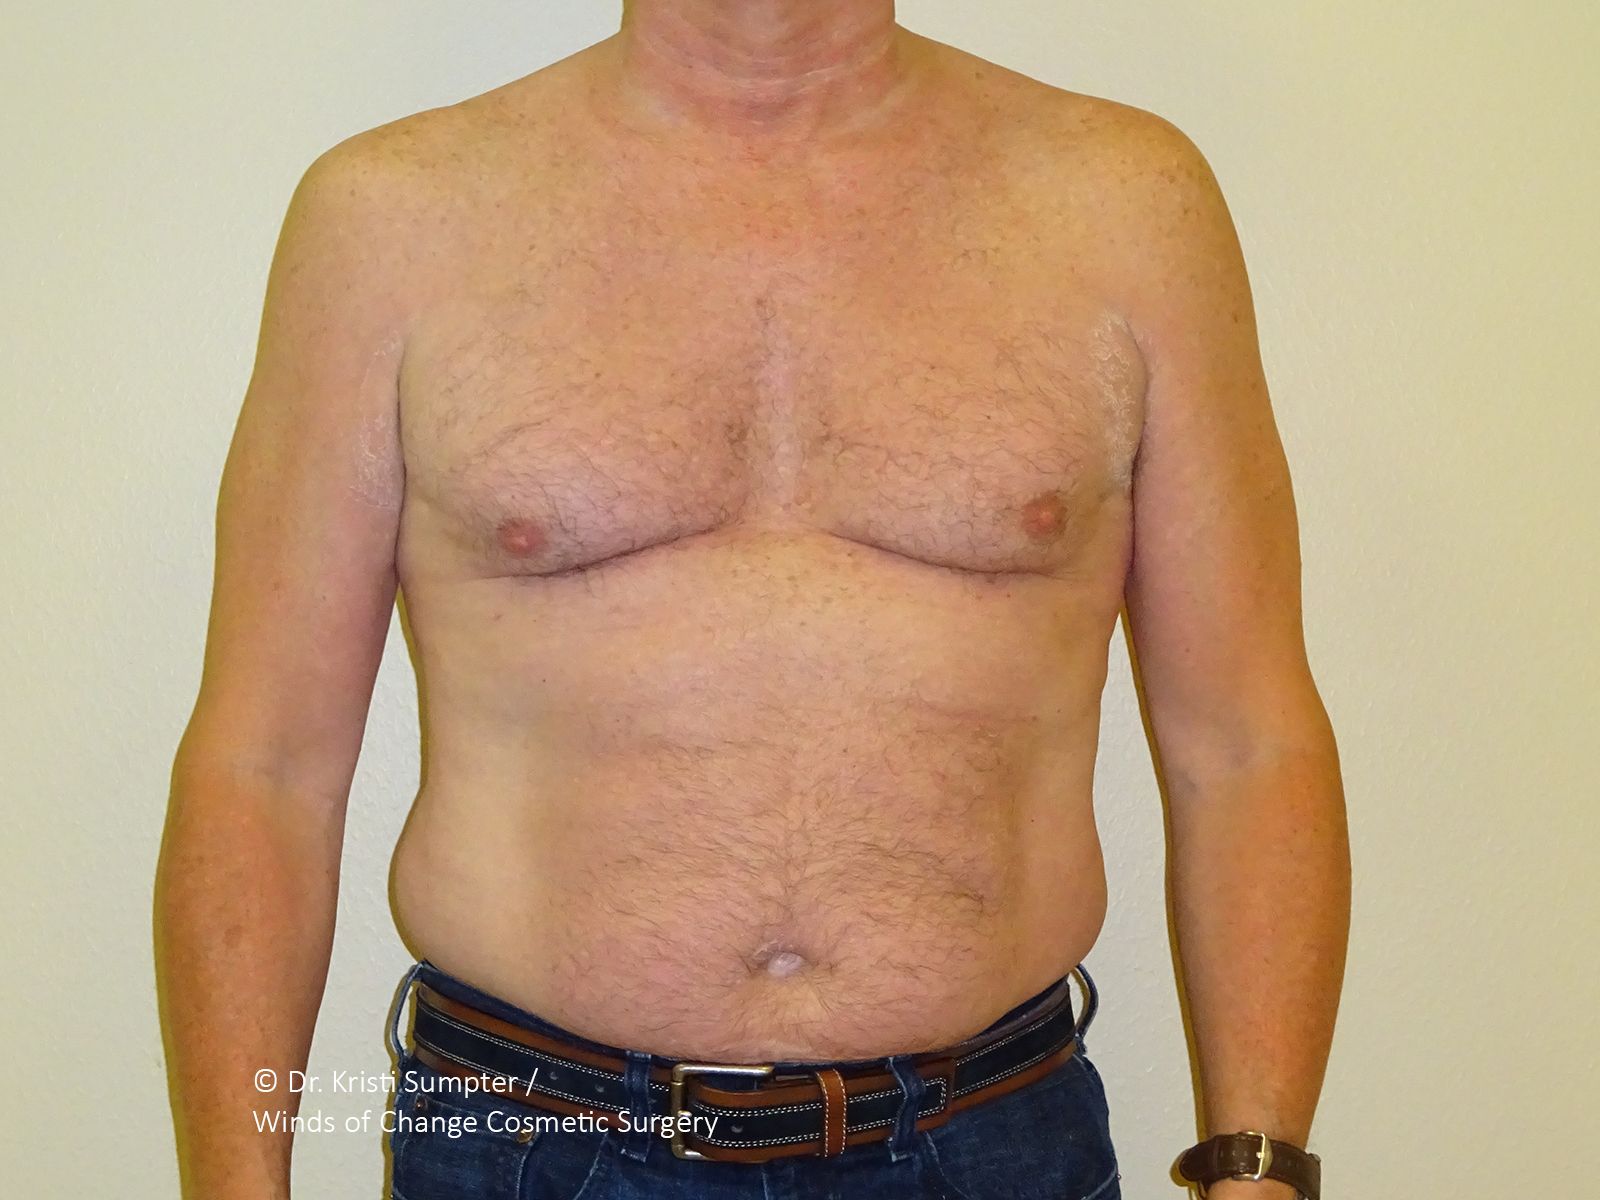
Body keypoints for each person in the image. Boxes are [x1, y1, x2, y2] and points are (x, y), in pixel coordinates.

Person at [154, 2, 1351, 1198]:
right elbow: (266, 765)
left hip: (992, 1140)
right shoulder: (392, 218)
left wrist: (1259, 1168)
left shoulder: (1125, 203)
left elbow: (1244, 741)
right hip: (530, 1142)